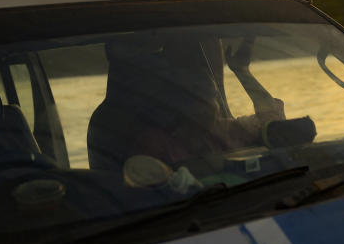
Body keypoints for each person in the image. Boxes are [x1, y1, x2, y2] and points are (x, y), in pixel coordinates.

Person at [87, 36, 287, 173]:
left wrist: (242, 72)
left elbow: (274, 126)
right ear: (173, 106)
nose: (208, 109)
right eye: (197, 100)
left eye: (210, 100)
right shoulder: (155, 145)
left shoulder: (220, 130)